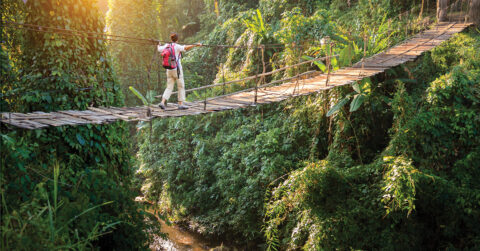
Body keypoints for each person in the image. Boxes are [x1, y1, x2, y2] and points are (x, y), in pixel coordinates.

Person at [157, 33, 202, 110]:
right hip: (177, 70)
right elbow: (185, 47)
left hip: (169, 70)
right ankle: (180, 104)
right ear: (177, 40)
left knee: (169, 87)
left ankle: (162, 102)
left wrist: (158, 44)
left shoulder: (166, 45)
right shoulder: (177, 46)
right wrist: (195, 45)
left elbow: (159, 49)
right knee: (180, 86)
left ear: (171, 39)